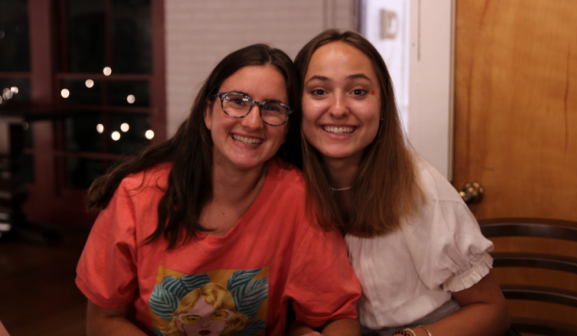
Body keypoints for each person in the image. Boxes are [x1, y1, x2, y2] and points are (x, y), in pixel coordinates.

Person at [76, 44, 361, 336]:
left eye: (272, 108)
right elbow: (103, 320)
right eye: (237, 101)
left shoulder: (300, 200)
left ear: (286, 128)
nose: (252, 122)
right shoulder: (137, 195)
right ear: (208, 112)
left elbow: (336, 316)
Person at [293, 30, 514, 336]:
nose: (339, 108)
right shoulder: (287, 186)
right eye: (319, 92)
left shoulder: (420, 189)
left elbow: (493, 312)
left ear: (383, 104)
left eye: (358, 91)